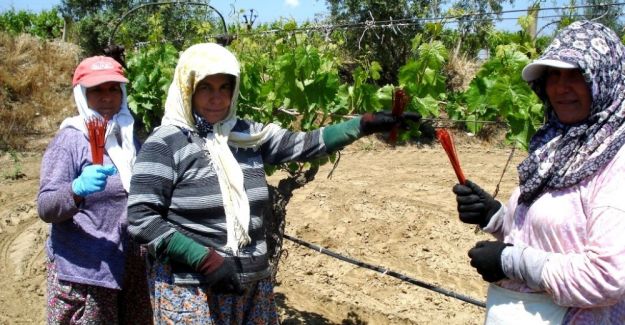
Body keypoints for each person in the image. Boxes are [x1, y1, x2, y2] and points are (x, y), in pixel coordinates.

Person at [126, 43, 421, 324]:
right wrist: (204, 260)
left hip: (251, 285)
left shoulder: (245, 135)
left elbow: (304, 144)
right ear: (187, 88)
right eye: (205, 87)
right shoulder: (165, 143)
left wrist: (364, 124)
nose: (217, 98)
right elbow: (141, 219)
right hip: (191, 290)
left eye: (224, 87)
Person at [452, 20, 625, 324]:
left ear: (604, 77)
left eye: (576, 74)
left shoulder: (617, 161)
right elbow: (548, 234)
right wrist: (496, 217)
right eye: (553, 74)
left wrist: (510, 262)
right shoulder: (558, 143)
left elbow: (608, 276)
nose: (561, 87)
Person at [37, 56, 151, 324]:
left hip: (130, 271)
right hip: (84, 274)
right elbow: (46, 206)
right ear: (82, 94)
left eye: (113, 88)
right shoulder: (71, 140)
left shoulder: (129, 138)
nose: (106, 97)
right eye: (96, 90)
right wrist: (76, 190)